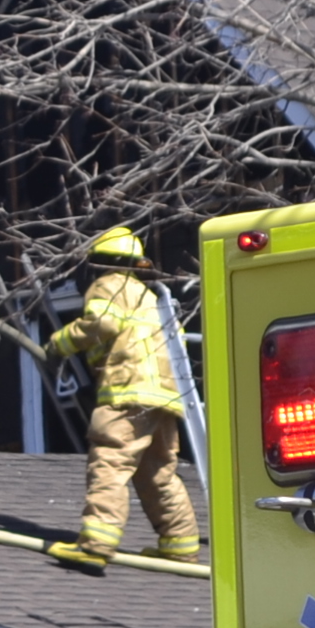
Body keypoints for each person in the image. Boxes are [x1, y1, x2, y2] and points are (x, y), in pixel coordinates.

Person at [45, 227, 200, 571]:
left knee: (110, 462)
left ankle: (96, 544)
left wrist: (59, 342)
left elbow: (101, 324)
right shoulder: (147, 295)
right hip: (164, 396)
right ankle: (181, 544)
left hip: (126, 390)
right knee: (158, 472)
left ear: (100, 264)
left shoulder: (107, 286)